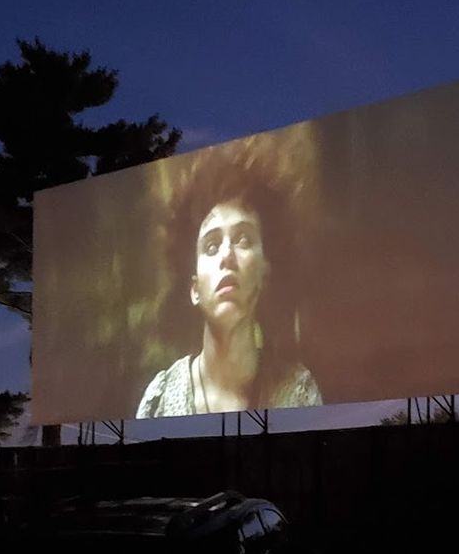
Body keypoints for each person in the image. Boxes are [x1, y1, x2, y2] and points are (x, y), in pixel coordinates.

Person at [136, 148, 322, 418]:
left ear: (265, 272)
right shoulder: (160, 400)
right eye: (211, 246)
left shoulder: (299, 393)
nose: (227, 256)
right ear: (194, 288)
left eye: (244, 240)